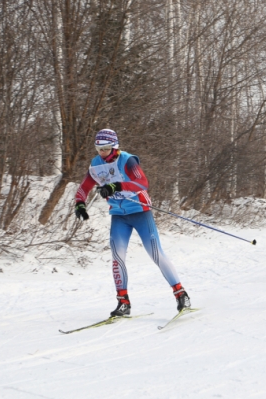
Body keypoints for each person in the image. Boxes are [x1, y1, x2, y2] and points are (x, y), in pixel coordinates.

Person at [73, 129, 190, 317]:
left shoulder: (128, 160)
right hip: (119, 215)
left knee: (156, 254)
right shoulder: (96, 164)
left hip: (140, 212)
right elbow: (84, 186)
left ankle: (181, 294)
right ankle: (123, 302)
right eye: (98, 149)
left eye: (106, 148)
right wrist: (79, 203)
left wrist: (116, 186)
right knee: (117, 257)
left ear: (115, 147)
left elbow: (142, 182)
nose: (102, 153)